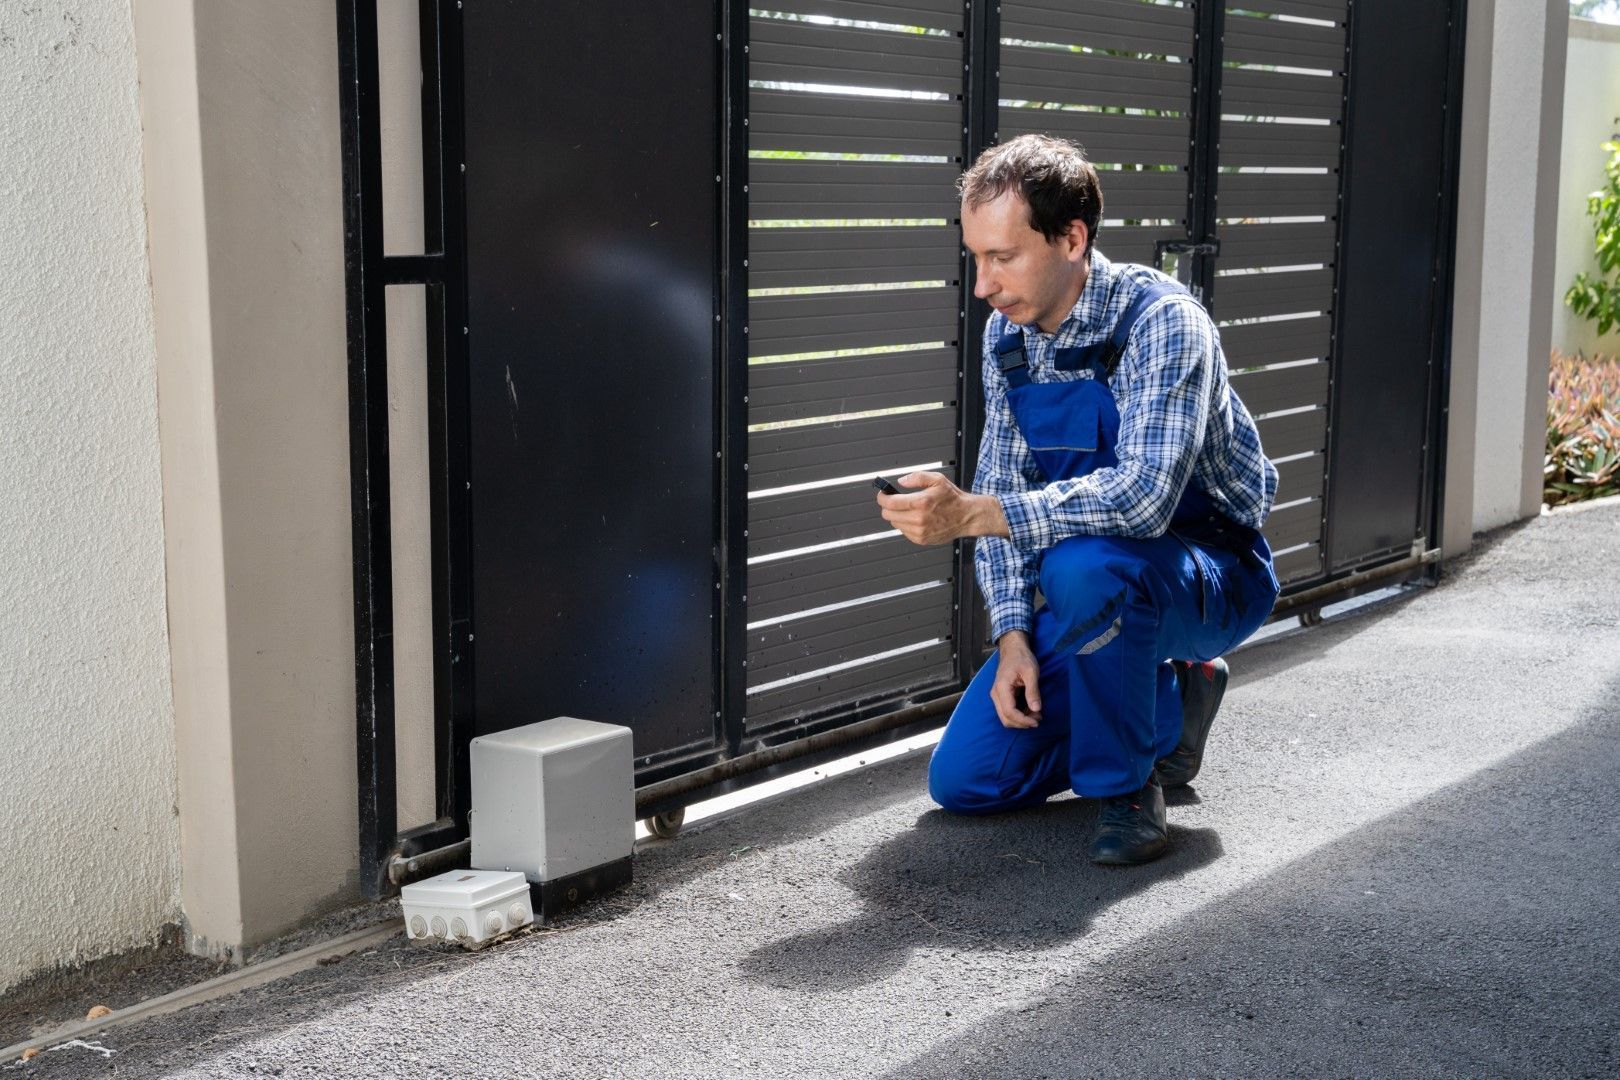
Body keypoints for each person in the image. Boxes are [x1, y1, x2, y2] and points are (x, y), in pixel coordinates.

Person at [874, 134, 1281, 865]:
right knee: (965, 779)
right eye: (976, 258)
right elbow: (1002, 490)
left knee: (1083, 568)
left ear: (1071, 238)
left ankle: (1127, 789)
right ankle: (1172, 699)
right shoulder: (1009, 340)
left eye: (1002, 258)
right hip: (1100, 587)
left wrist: (973, 513)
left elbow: (1145, 498)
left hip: (1212, 572)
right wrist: (1012, 639)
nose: (983, 286)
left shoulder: (1162, 322)